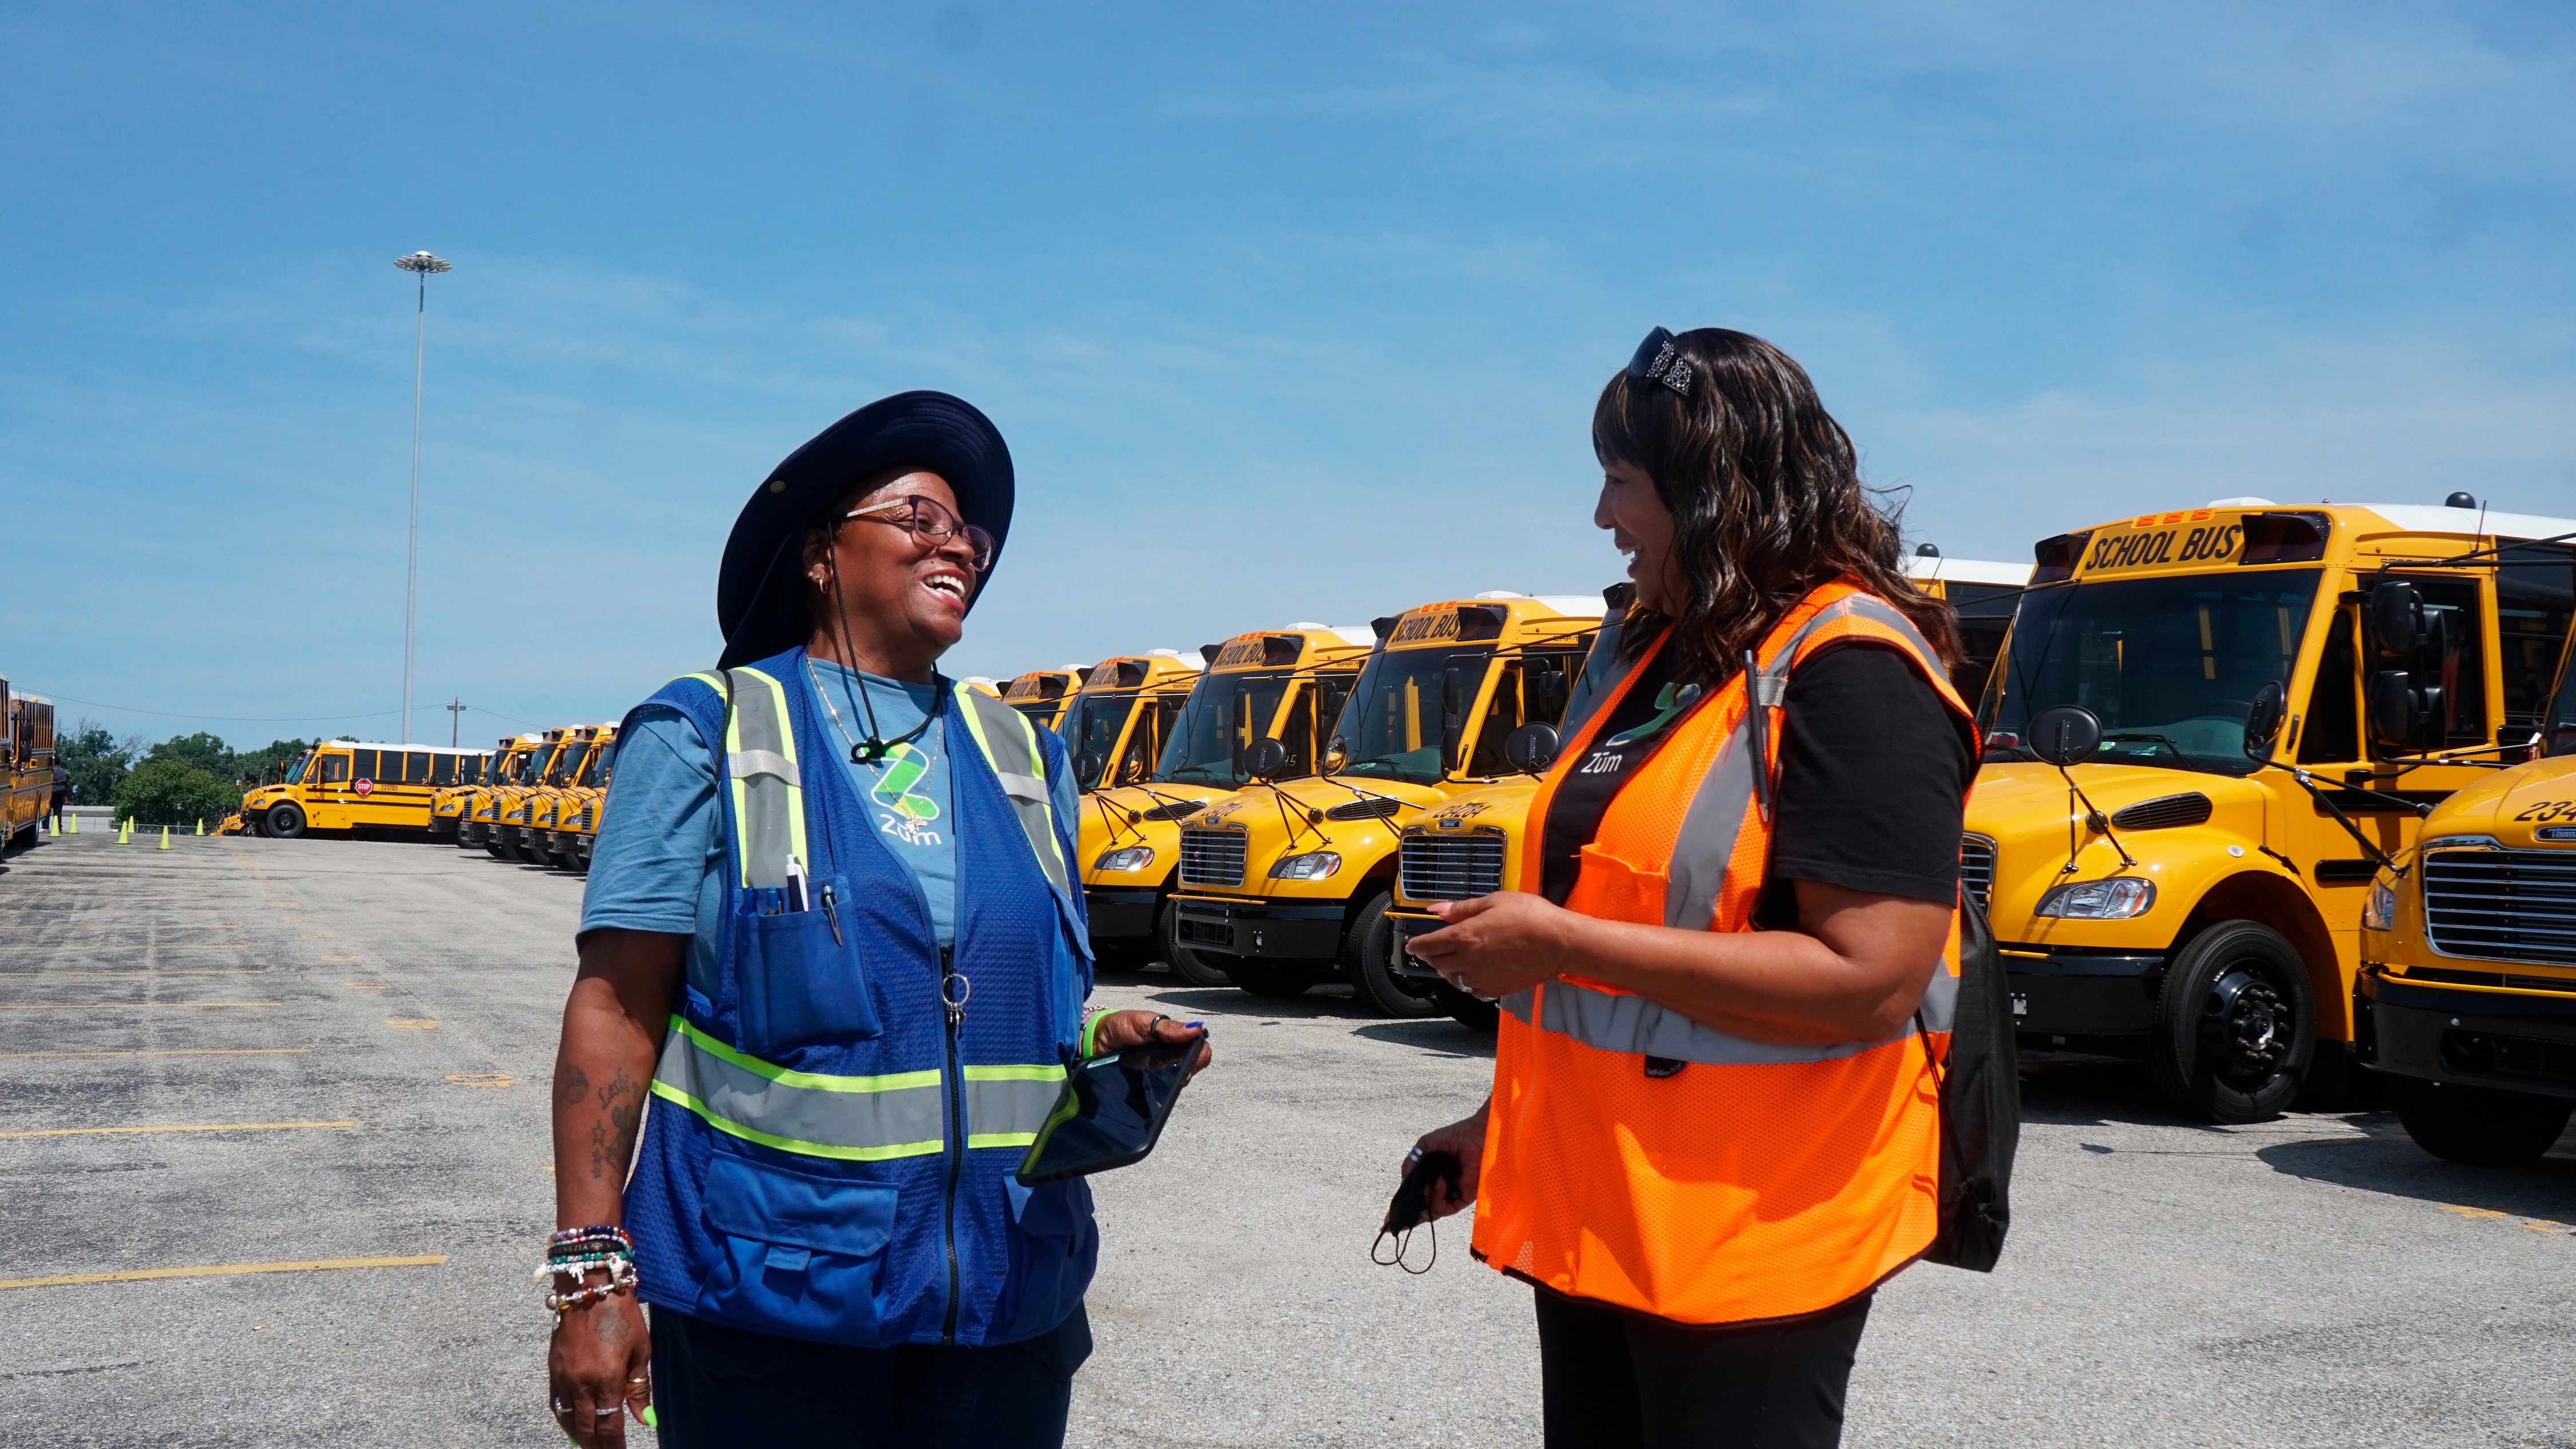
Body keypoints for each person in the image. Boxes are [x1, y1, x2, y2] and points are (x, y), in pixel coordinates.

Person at [544, 390, 1210, 1448]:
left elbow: (1004, 1009)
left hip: (1005, 1300)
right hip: (772, 1302)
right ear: (821, 554)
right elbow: (620, 1008)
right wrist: (592, 1274)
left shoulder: (1027, 757)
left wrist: (1104, 1044)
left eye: (970, 532)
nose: (957, 545)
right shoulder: (704, 731)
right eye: (918, 518)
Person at [1402, 329, 1975, 1449]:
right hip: (1604, 1224)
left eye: (1622, 481)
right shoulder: (1658, 664)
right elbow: (1627, 938)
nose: (1603, 517)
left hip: (1751, 1250)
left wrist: (1561, 945)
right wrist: (1496, 1128)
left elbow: (1872, 980)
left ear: (1712, 493)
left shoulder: (1853, 669)